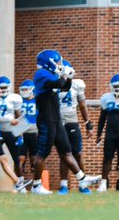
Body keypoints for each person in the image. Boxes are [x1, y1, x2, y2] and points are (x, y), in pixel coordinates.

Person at [29, 49, 102, 196]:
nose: (59, 64)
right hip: (47, 120)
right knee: (42, 153)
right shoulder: (41, 74)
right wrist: (64, 75)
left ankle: (82, 178)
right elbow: (58, 82)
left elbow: (64, 86)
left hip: (56, 120)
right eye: (57, 61)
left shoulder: (50, 74)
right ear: (49, 62)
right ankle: (36, 185)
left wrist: (68, 77)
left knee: (66, 151)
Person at [56, 60, 91, 194]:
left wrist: (88, 123)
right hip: (59, 121)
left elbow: (82, 105)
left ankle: (83, 184)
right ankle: (64, 184)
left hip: (72, 120)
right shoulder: (55, 84)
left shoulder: (77, 84)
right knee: (64, 154)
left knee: (77, 153)